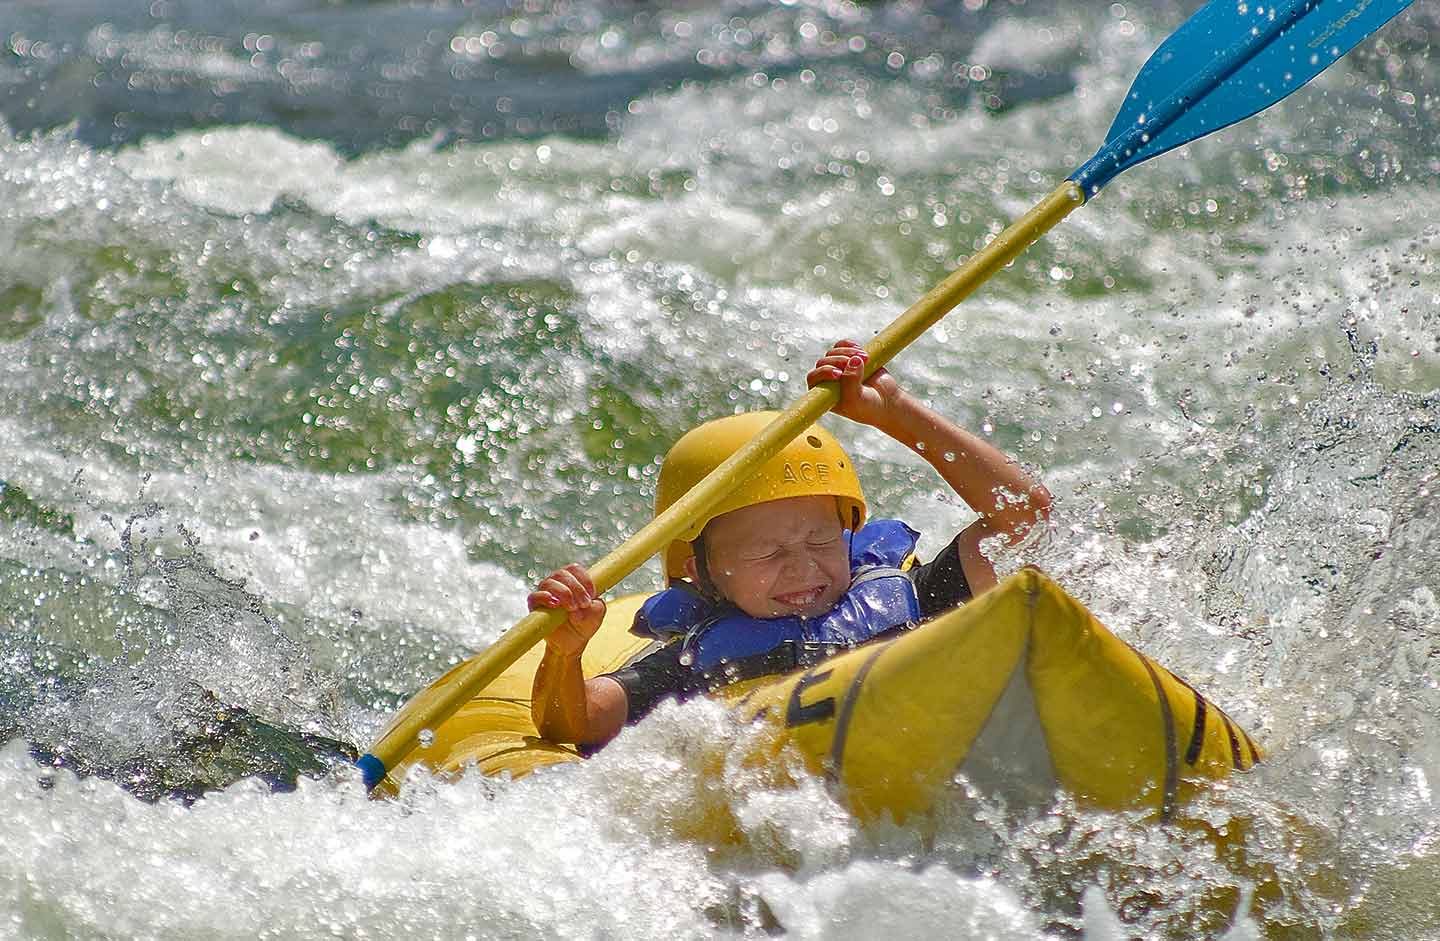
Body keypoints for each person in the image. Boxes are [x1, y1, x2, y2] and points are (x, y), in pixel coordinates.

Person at [528, 339, 1051, 747]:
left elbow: (1024, 517)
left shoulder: (913, 597)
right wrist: (564, 654)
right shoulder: (691, 663)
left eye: (822, 541)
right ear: (696, 568)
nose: (804, 569)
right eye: (767, 553)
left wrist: (894, 412)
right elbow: (578, 724)